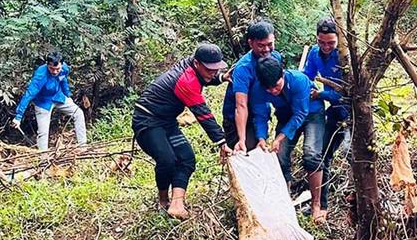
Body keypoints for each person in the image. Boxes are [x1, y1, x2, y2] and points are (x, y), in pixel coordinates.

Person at [132, 43, 233, 220]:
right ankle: (163, 201)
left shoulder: (194, 69)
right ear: (196, 63)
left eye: (216, 68)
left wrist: (221, 77)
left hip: (167, 121)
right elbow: (203, 114)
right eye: (210, 69)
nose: (213, 72)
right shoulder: (185, 80)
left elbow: (206, 78)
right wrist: (221, 141)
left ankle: (177, 204)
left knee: (187, 159)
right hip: (147, 120)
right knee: (167, 160)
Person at [301, 17, 348, 222]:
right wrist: (310, 88)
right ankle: (322, 204)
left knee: (358, 157)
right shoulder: (314, 53)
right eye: (322, 42)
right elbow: (307, 77)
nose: (326, 47)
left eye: (331, 43)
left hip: (352, 110)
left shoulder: (345, 57)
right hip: (336, 111)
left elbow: (349, 92)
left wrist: (321, 95)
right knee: (323, 155)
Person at [252, 56, 315, 198]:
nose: (273, 91)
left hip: (311, 112)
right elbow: (260, 115)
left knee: (312, 154)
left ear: (282, 74)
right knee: (279, 155)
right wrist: (261, 137)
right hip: (285, 114)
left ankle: (317, 200)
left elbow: (300, 113)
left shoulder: (299, 81)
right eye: (268, 89)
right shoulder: (258, 89)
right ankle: (286, 194)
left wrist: (280, 137)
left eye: (276, 86)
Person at [222, 21, 283, 154]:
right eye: (261, 46)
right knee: (244, 154)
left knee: (261, 149)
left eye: (270, 44)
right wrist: (241, 139)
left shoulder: (275, 57)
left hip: (259, 113)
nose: (266, 49)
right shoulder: (243, 68)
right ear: (251, 43)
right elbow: (241, 105)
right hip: (237, 117)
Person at [12, 50, 87, 151]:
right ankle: (43, 159)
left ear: (62, 65)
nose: (55, 72)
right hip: (43, 102)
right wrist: (18, 116)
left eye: (58, 69)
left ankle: (83, 147)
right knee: (43, 132)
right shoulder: (41, 75)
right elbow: (29, 94)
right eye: (52, 69)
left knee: (78, 113)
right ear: (47, 65)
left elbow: (63, 80)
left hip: (58, 97)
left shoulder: (64, 68)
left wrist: (68, 94)